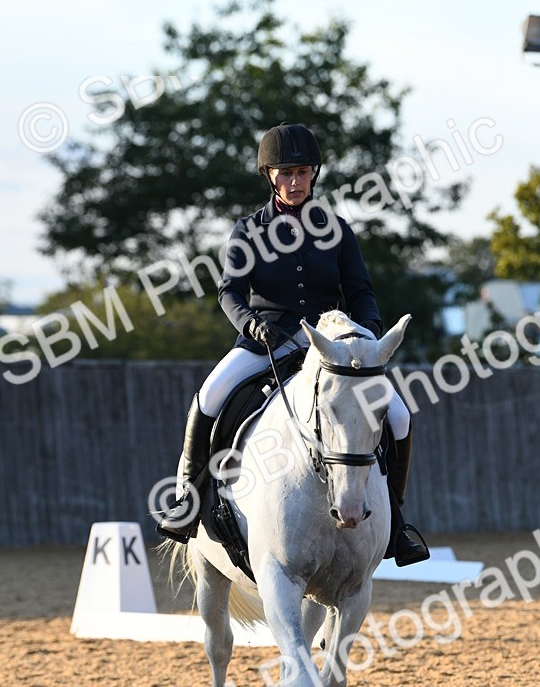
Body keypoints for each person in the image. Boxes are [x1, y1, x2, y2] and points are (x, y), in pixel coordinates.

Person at [157, 122, 429, 566]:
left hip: (332, 348)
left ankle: (396, 524)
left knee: (397, 415)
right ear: (270, 176)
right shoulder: (248, 230)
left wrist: (367, 330)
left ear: (313, 175)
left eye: (303, 172)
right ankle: (187, 501)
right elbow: (228, 292)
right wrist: (251, 325)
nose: (295, 181)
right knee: (209, 396)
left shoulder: (337, 230)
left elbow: (360, 291)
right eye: (286, 173)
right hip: (268, 339)